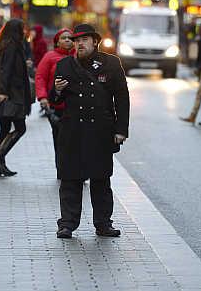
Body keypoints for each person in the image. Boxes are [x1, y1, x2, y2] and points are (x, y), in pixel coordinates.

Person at [50, 24, 130, 239]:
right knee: (70, 179)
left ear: (95, 42)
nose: (79, 44)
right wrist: (56, 91)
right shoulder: (65, 64)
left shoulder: (111, 63)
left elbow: (122, 98)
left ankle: (103, 224)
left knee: (101, 179)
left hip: (100, 131)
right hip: (73, 130)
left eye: (84, 40)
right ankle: (66, 224)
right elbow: (55, 99)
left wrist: (121, 129)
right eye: (76, 41)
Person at [0, 19, 33, 177]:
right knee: (20, 128)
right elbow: (6, 69)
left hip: (8, 91)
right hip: (12, 93)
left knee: (4, 129)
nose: (24, 31)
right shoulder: (13, 45)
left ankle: (0, 166)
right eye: (22, 28)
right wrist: (4, 91)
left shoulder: (6, 44)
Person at [35, 28, 74, 170]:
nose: (68, 40)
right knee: (59, 139)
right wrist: (43, 97)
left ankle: (76, 169)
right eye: (64, 38)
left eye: (70, 38)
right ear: (57, 41)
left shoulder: (79, 57)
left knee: (75, 139)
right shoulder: (50, 57)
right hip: (57, 107)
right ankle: (62, 169)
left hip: (75, 107)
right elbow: (40, 77)